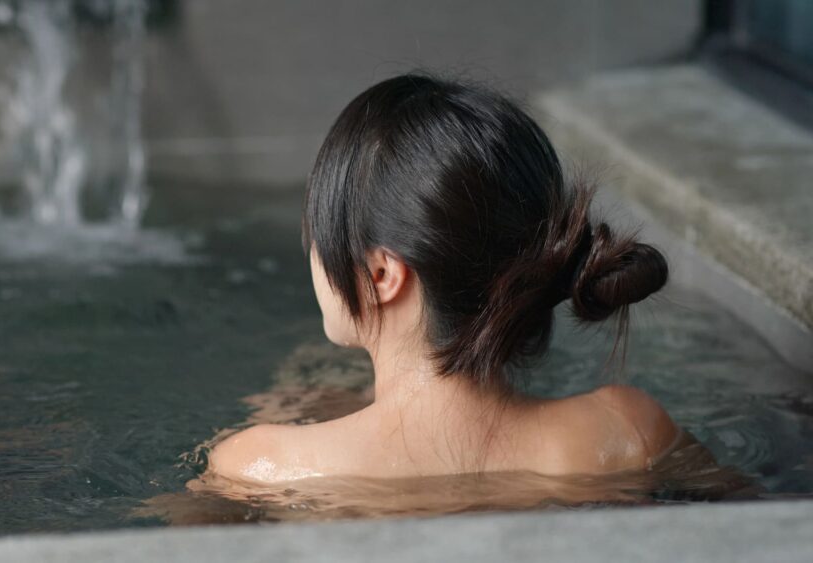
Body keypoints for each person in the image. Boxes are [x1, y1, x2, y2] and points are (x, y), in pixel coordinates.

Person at [205, 73, 681, 485]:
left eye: (319, 236)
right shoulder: (625, 433)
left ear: (381, 274)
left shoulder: (259, 465)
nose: (314, 255)